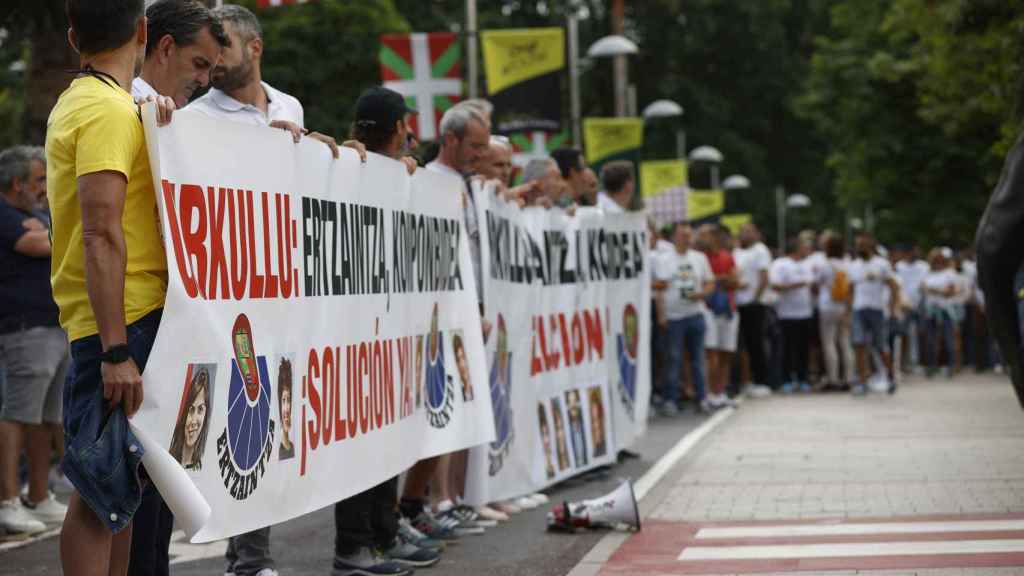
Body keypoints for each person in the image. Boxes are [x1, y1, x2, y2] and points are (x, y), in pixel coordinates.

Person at [48, 2, 174, 574]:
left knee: (118, 496)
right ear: (143, 31)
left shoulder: (104, 104)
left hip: (124, 319)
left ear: (75, 38)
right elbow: (101, 233)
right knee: (100, 495)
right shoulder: (104, 109)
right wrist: (116, 350)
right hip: (120, 323)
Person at [0, 146, 68, 536]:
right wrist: (54, 233)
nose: (45, 187)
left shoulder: (35, 216)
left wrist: (49, 230)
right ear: (17, 183)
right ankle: (9, 501)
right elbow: (38, 245)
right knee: (18, 415)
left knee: (46, 417)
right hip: (26, 330)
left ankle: (39, 496)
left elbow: (49, 237)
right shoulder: (5, 215)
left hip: (54, 326)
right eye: (39, 180)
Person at [655, 223, 714, 414]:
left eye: (689, 236)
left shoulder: (699, 258)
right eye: (682, 235)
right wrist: (661, 314)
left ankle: (702, 397)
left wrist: (702, 294)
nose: (686, 239)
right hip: (674, 316)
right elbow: (659, 289)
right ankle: (670, 398)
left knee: (698, 358)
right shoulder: (663, 259)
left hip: (695, 313)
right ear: (674, 238)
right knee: (673, 358)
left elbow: (710, 281)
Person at [131, 0, 227, 106]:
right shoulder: (127, 106)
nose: (205, 81)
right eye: (199, 64)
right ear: (166, 48)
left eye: (210, 71)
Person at [848, 233, 901, 394]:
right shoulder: (854, 265)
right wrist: (849, 309)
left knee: (881, 346)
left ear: (870, 245)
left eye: (862, 245)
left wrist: (893, 308)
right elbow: (850, 289)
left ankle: (891, 377)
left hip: (877, 309)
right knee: (859, 345)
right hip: (859, 309)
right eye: (857, 245)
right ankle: (862, 381)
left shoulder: (881, 264)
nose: (859, 248)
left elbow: (894, 286)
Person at [698, 225, 739, 409]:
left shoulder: (727, 256)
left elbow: (735, 281)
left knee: (725, 353)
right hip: (708, 309)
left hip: (728, 309)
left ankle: (720, 392)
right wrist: (721, 279)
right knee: (711, 353)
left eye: (704, 235)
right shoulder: (699, 258)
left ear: (713, 237)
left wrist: (717, 280)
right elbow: (705, 283)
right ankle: (710, 393)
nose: (700, 238)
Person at [733, 224, 773, 397]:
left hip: (754, 304)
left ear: (756, 234)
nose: (744, 234)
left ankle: (762, 381)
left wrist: (755, 298)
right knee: (742, 345)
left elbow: (764, 278)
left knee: (756, 343)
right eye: (742, 231)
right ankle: (745, 381)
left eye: (748, 231)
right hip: (738, 303)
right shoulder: (737, 252)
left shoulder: (760, 250)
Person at [770, 238, 815, 392]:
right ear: (796, 248)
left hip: (805, 312)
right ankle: (786, 379)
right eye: (804, 247)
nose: (807, 249)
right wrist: (795, 285)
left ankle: (803, 378)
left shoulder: (807, 264)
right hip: (786, 313)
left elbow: (811, 284)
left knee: (803, 348)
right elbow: (775, 285)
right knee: (787, 348)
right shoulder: (780, 264)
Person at [816, 233, 855, 390]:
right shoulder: (848, 264)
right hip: (844, 306)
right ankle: (849, 378)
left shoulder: (826, 265)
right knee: (845, 342)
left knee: (829, 342)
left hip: (827, 306)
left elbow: (817, 282)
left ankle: (833, 378)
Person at [922, 248, 959, 379]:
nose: (937, 261)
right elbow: (923, 289)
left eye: (939, 259)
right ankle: (931, 367)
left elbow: (951, 291)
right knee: (931, 340)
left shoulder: (949, 273)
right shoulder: (927, 273)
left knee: (949, 339)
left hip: (945, 310)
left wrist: (935, 290)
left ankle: (952, 366)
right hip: (931, 310)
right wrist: (939, 291)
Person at [167, 366, 210, 470]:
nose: (194, 421)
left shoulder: (202, 466)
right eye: (191, 410)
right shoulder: (168, 458)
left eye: (200, 410)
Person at [894, 245, 929, 373]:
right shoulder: (899, 266)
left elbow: (924, 284)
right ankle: (904, 363)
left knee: (921, 333)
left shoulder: (924, 266)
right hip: (904, 305)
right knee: (904, 335)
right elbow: (898, 285)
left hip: (920, 305)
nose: (916, 253)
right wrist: (902, 302)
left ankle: (919, 362)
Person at [277, 359, 293, 460]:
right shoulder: (280, 453)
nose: (287, 408)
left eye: (289, 400)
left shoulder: (292, 447)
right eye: (283, 400)